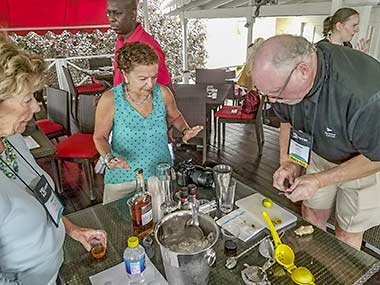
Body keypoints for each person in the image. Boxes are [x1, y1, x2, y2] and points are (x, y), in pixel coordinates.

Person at [252, 34, 380, 250]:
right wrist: (288, 162)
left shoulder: (363, 96)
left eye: (276, 94)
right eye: (266, 95)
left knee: (346, 232)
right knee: (311, 213)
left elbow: (376, 158)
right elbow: (286, 121)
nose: (272, 101)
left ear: (303, 70)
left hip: (364, 163)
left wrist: (320, 180)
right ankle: (312, 263)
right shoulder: (284, 82)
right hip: (318, 154)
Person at [0, 35, 107, 284]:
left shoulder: (13, 140)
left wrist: (71, 229)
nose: (37, 107)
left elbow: (37, 196)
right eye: (27, 99)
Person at [93, 42, 203, 204]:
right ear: (125, 74)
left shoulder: (163, 93)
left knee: (161, 217)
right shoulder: (111, 99)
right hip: (123, 175)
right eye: (143, 78)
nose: (150, 84)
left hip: (159, 173)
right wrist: (109, 158)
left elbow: (175, 116)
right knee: (120, 223)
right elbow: (99, 137)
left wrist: (185, 130)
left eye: (154, 77)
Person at [107, 0, 173, 92]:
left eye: (117, 13)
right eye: (108, 13)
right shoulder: (121, 40)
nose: (111, 19)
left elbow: (166, 90)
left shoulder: (147, 45)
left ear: (133, 14)